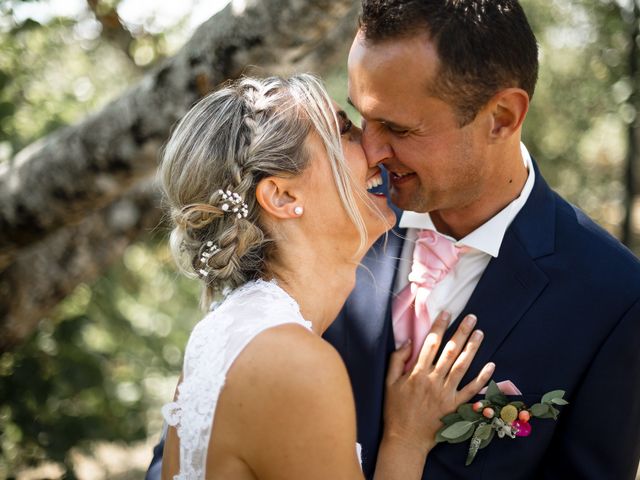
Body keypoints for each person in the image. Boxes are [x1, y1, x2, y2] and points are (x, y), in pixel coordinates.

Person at [322, 0, 640, 479]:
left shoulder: (614, 297)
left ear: (503, 117)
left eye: (398, 128)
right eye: (363, 117)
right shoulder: (326, 220)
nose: (370, 149)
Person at [155, 74, 495, 479]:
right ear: (282, 197)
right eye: (344, 132)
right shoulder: (294, 363)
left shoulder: (224, 334)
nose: (373, 149)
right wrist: (405, 438)